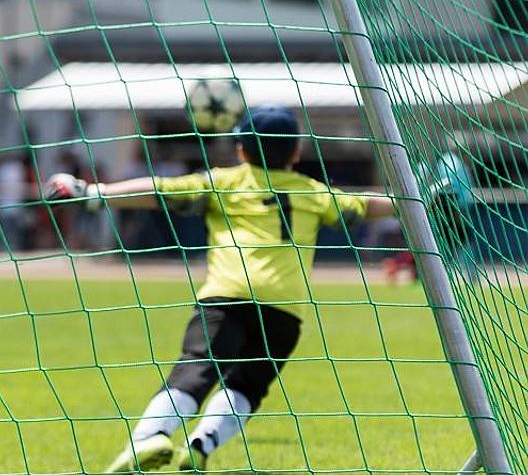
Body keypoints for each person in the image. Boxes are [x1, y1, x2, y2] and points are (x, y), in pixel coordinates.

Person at [44, 106, 399, 472]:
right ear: (296, 151)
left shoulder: (224, 182)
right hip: (284, 312)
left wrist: (93, 193)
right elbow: (366, 205)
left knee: (198, 367)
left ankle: (151, 436)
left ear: (241, 149)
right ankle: (202, 443)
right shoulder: (312, 192)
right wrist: (409, 204)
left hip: (227, 297)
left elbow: (159, 190)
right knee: (247, 386)